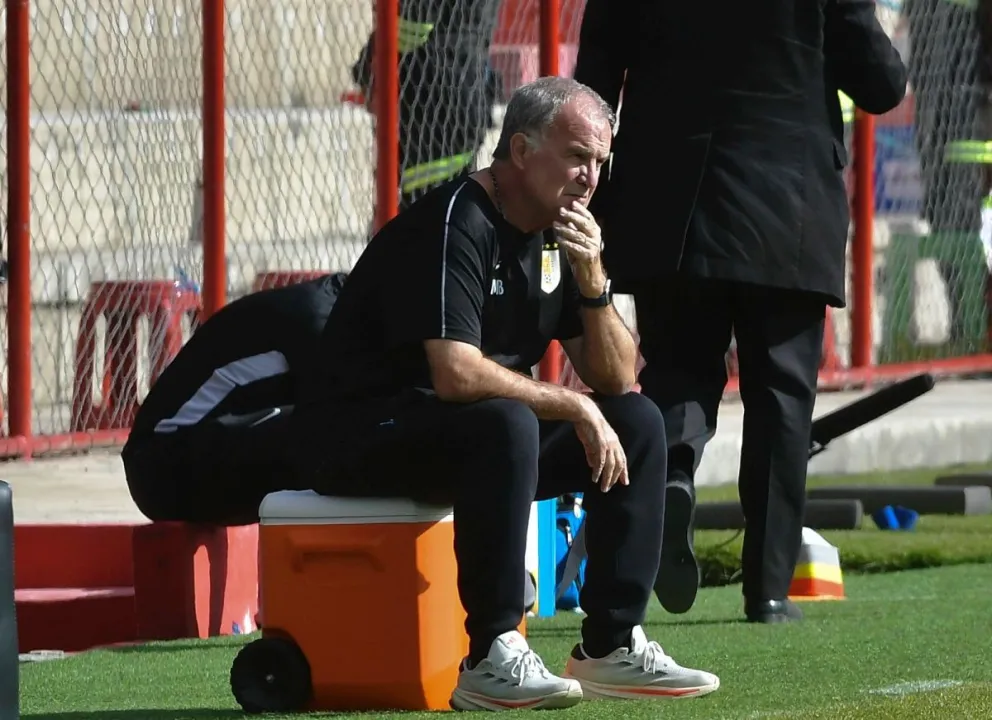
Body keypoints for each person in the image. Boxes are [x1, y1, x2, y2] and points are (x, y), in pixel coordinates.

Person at [292, 77, 720, 710]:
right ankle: (490, 653)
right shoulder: (457, 221)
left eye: (600, 161)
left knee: (638, 420)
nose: (590, 177)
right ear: (520, 151)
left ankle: (610, 642)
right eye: (577, 156)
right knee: (508, 421)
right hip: (363, 434)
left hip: (468, 434)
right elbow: (454, 374)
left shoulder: (561, 233)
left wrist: (594, 282)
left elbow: (616, 377)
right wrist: (572, 405)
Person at [573, 0, 908, 622]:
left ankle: (670, 475)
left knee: (676, 369)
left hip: (669, 200)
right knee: (782, 396)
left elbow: (590, 89)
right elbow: (882, 86)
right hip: (790, 205)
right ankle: (769, 589)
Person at [122, 274, 345, 525]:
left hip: (186, 451)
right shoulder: (322, 322)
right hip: (161, 467)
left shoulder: (335, 305)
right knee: (337, 433)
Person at [351, 0, 504, 211]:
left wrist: (367, 66)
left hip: (431, 106)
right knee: (453, 215)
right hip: (463, 95)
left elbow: (410, 28)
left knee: (424, 224)